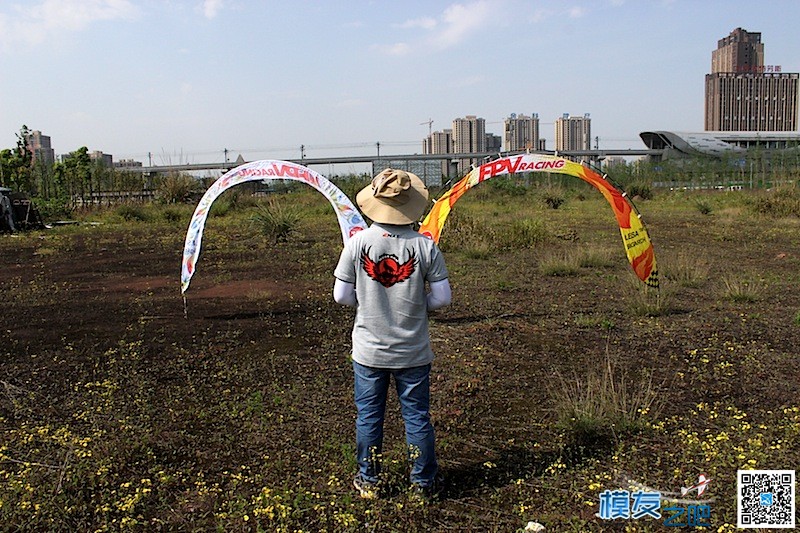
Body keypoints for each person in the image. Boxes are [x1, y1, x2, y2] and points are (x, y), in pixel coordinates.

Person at [333, 168, 451, 500]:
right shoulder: (425, 247)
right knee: (416, 417)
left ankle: (369, 481)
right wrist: (417, 303)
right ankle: (422, 486)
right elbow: (442, 299)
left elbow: (341, 296)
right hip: (413, 351)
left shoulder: (357, 244)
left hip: (369, 352)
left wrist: (368, 303)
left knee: (369, 416)